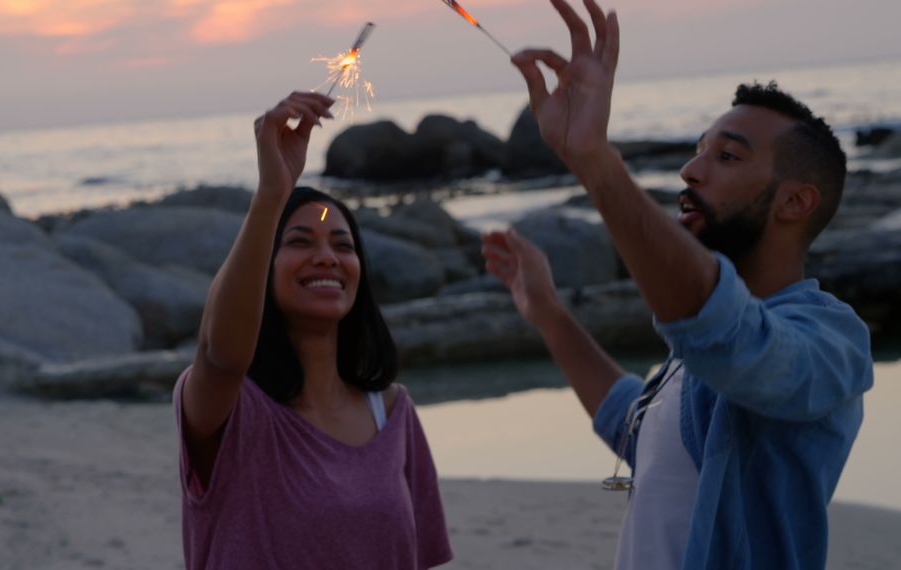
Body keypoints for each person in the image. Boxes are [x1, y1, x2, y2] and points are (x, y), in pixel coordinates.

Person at [481, 0, 874, 568]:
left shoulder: (832, 342)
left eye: (727, 156)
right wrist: (548, 313)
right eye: (697, 151)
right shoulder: (692, 360)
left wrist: (595, 161)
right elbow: (634, 427)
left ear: (794, 201)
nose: (691, 170)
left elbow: (730, 336)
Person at [172, 91, 453, 570]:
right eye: (300, 242)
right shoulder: (231, 410)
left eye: (343, 246)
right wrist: (271, 194)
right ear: (264, 266)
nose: (327, 256)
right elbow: (219, 352)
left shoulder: (392, 412)